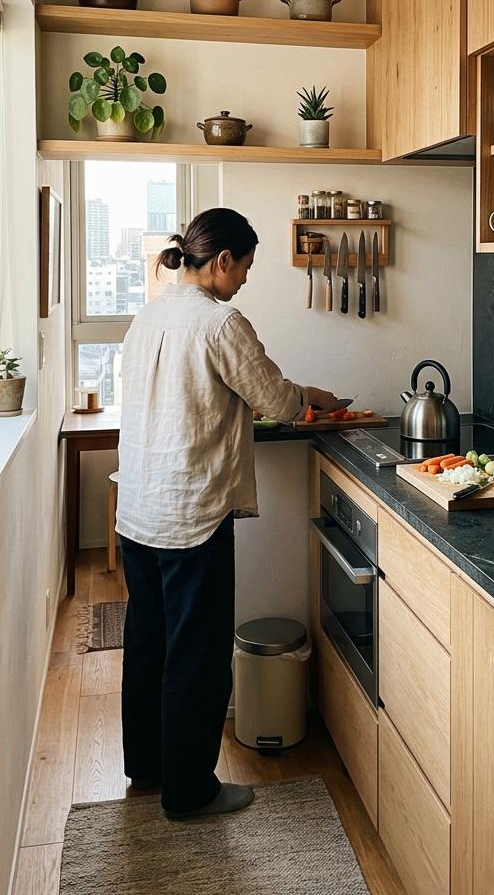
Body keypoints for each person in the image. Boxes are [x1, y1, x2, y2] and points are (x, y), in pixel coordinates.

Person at [115, 206, 339, 819]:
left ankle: (149, 767)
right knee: (198, 653)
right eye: (244, 267)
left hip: (137, 510)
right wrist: (306, 399)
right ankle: (191, 792)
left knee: (149, 643)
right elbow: (272, 398)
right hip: (192, 514)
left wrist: (295, 396)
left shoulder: (149, 314)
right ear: (220, 261)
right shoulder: (220, 322)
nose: (243, 279)